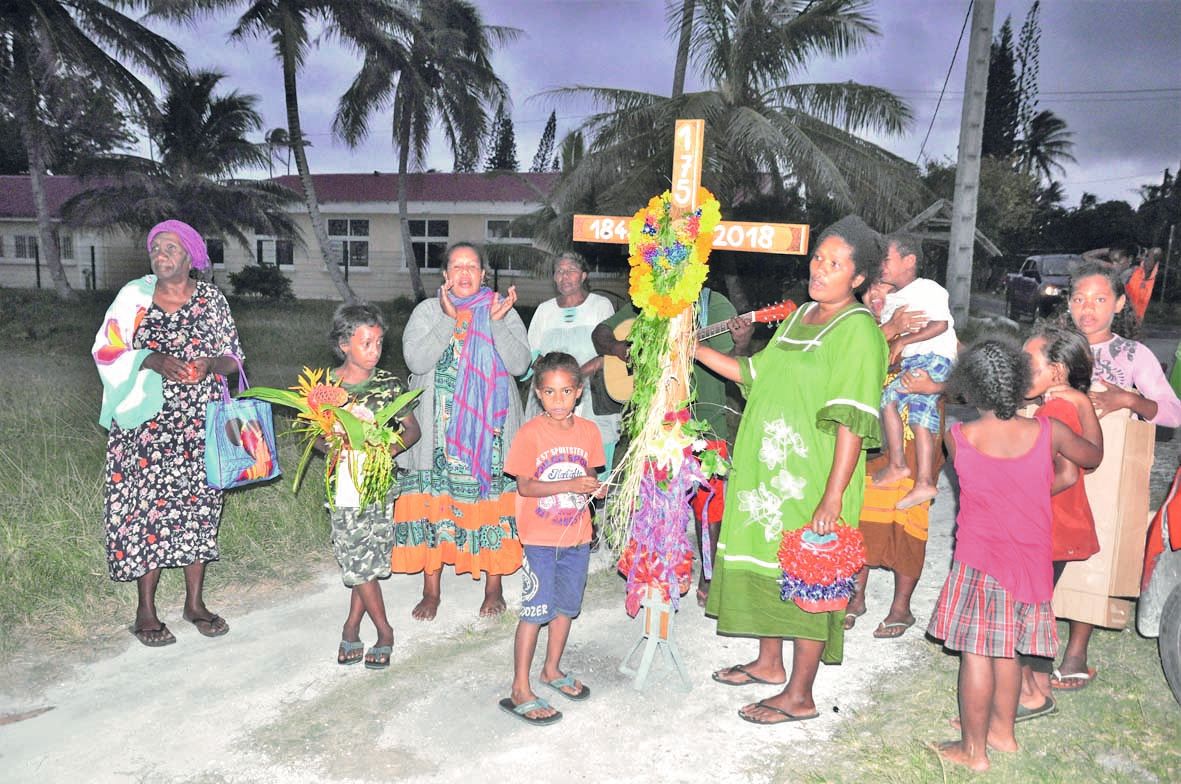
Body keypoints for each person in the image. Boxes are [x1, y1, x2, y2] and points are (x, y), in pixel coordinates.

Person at [699, 216, 887, 724]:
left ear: (858, 278)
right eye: (818, 259)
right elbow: (752, 374)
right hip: (768, 475)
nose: (820, 270)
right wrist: (691, 348)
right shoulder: (800, 314)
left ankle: (800, 695)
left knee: (810, 576)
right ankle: (768, 663)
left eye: (835, 264)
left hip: (814, 479)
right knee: (771, 563)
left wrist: (832, 496)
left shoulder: (858, 331)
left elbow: (852, 422)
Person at [928, 340, 1102, 772]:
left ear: (969, 388)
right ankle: (1002, 734)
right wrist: (1083, 404)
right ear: (1020, 381)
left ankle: (973, 752)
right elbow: (1092, 457)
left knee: (976, 654)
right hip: (1031, 561)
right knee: (1009, 650)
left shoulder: (958, 437)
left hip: (980, 561)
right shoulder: (1049, 432)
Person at [93, 219, 242, 647]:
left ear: (191, 257)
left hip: (199, 422)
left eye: (171, 247)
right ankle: (146, 611)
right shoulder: (134, 298)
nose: (160, 254)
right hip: (145, 426)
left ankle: (195, 604)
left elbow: (234, 357)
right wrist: (151, 359)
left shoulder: (211, 300)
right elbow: (106, 349)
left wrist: (210, 365)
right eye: (156, 247)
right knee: (147, 511)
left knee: (200, 507)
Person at [1051, 260, 1181, 690]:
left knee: (1093, 551)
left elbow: (1173, 412)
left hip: (1103, 473)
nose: (1087, 309)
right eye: (1079, 299)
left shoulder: (1132, 355)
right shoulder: (1053, 347)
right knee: (1045, 544)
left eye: (1099, 299)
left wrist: (1128, 399)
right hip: (1052, 466)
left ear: (1120, 303)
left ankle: (1076, 652)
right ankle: (1034, 636)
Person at [391, 242, 530, 620]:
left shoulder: (501, 308)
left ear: (483, 274)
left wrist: (497, 323)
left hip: (490, 437)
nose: (465, 273)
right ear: (445, 275)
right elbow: (415, 360)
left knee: (490, 504)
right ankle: (431, 590)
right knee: (435, 504)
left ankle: (493, 586)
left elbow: (520, 364)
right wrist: (448, 319)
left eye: (472, 266)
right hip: (437, 437)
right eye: (457, 266)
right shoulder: (427, 310)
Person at [593, 278, 751, 606]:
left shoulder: (713, 305)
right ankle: (658, 569)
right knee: (655, 501)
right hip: (658, 422)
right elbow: (601, 332)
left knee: (708, 503)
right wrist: (619, 348)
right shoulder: (649, 302)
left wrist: (740, 344)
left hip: (706, 421)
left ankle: (709, 573)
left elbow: (734, 363)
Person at [499, 352, 606, 725]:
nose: (558, 400)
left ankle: (552, 669)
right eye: (549, 392)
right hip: (541, 540)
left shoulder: (588, 432)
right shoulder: (530, 434)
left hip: (577, 537)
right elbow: (526, 487)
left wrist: (596, 489)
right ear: (538, 394)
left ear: (578, 392)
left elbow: (589, 476)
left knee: (565, 607)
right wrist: (570, 484)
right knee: (534, 611)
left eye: (566, 391)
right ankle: (520, 688)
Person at [848, 278, 944, 638]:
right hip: (873, 437)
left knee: (909, 517)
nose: (876, 295)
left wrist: (937, 386)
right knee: (861, 513)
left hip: (917, 440)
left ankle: (901, 608)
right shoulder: (856, 327)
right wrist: (889, 331)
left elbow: (965, 372)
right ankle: (855, 596)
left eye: (886, 287)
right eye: (870, 287)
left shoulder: (927, 326)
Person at [327, 303, 421, 669]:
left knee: (370, 558)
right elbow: (314, 436)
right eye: (366, 343)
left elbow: (412, 430)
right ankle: (384, 631)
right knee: (357, 558)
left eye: (379, 343)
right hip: (345, 481)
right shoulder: (327, 387)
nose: (375, 351)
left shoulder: (388, 384)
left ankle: (351, 625)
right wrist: (337, 447)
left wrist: (386, 450)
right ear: (344, 344)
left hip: (381, 482)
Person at [1015, 324, 1100, 717]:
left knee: (1021, 611)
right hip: (1056, 527)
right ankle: (1038, 686)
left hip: (1044, 527)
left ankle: (1031, 694)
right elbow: (1092, 458)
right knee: (1035, 607)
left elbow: (1065, 475)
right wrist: (1082, 401)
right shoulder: (1066, 405)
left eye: (1028, 364)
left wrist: (1013, 502)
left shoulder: (1055, 410)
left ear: (1058, 371)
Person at [872, 234, 958, 511]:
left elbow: (941, 325)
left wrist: (903, 340)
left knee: (894, 402)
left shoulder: (928, 289)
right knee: (916, 415)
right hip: (914, 363)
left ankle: (904, 468)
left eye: (886, 259)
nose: (881, 266)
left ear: (909, 261)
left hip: (933, 358)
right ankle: (918, 478)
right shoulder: (893, 302)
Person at [525, 251, 620, 474]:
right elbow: (532, 355)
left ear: (584, 276)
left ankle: (594, 495)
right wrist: (555, 379)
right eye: (559, 271)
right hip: (552, 395)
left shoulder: (600, 306)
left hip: (592, 393)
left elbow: (608, 353)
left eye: (571, 271)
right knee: (550, 459)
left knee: (593, 458)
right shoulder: (545, 310)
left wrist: (574, 377)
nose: (564, 276)